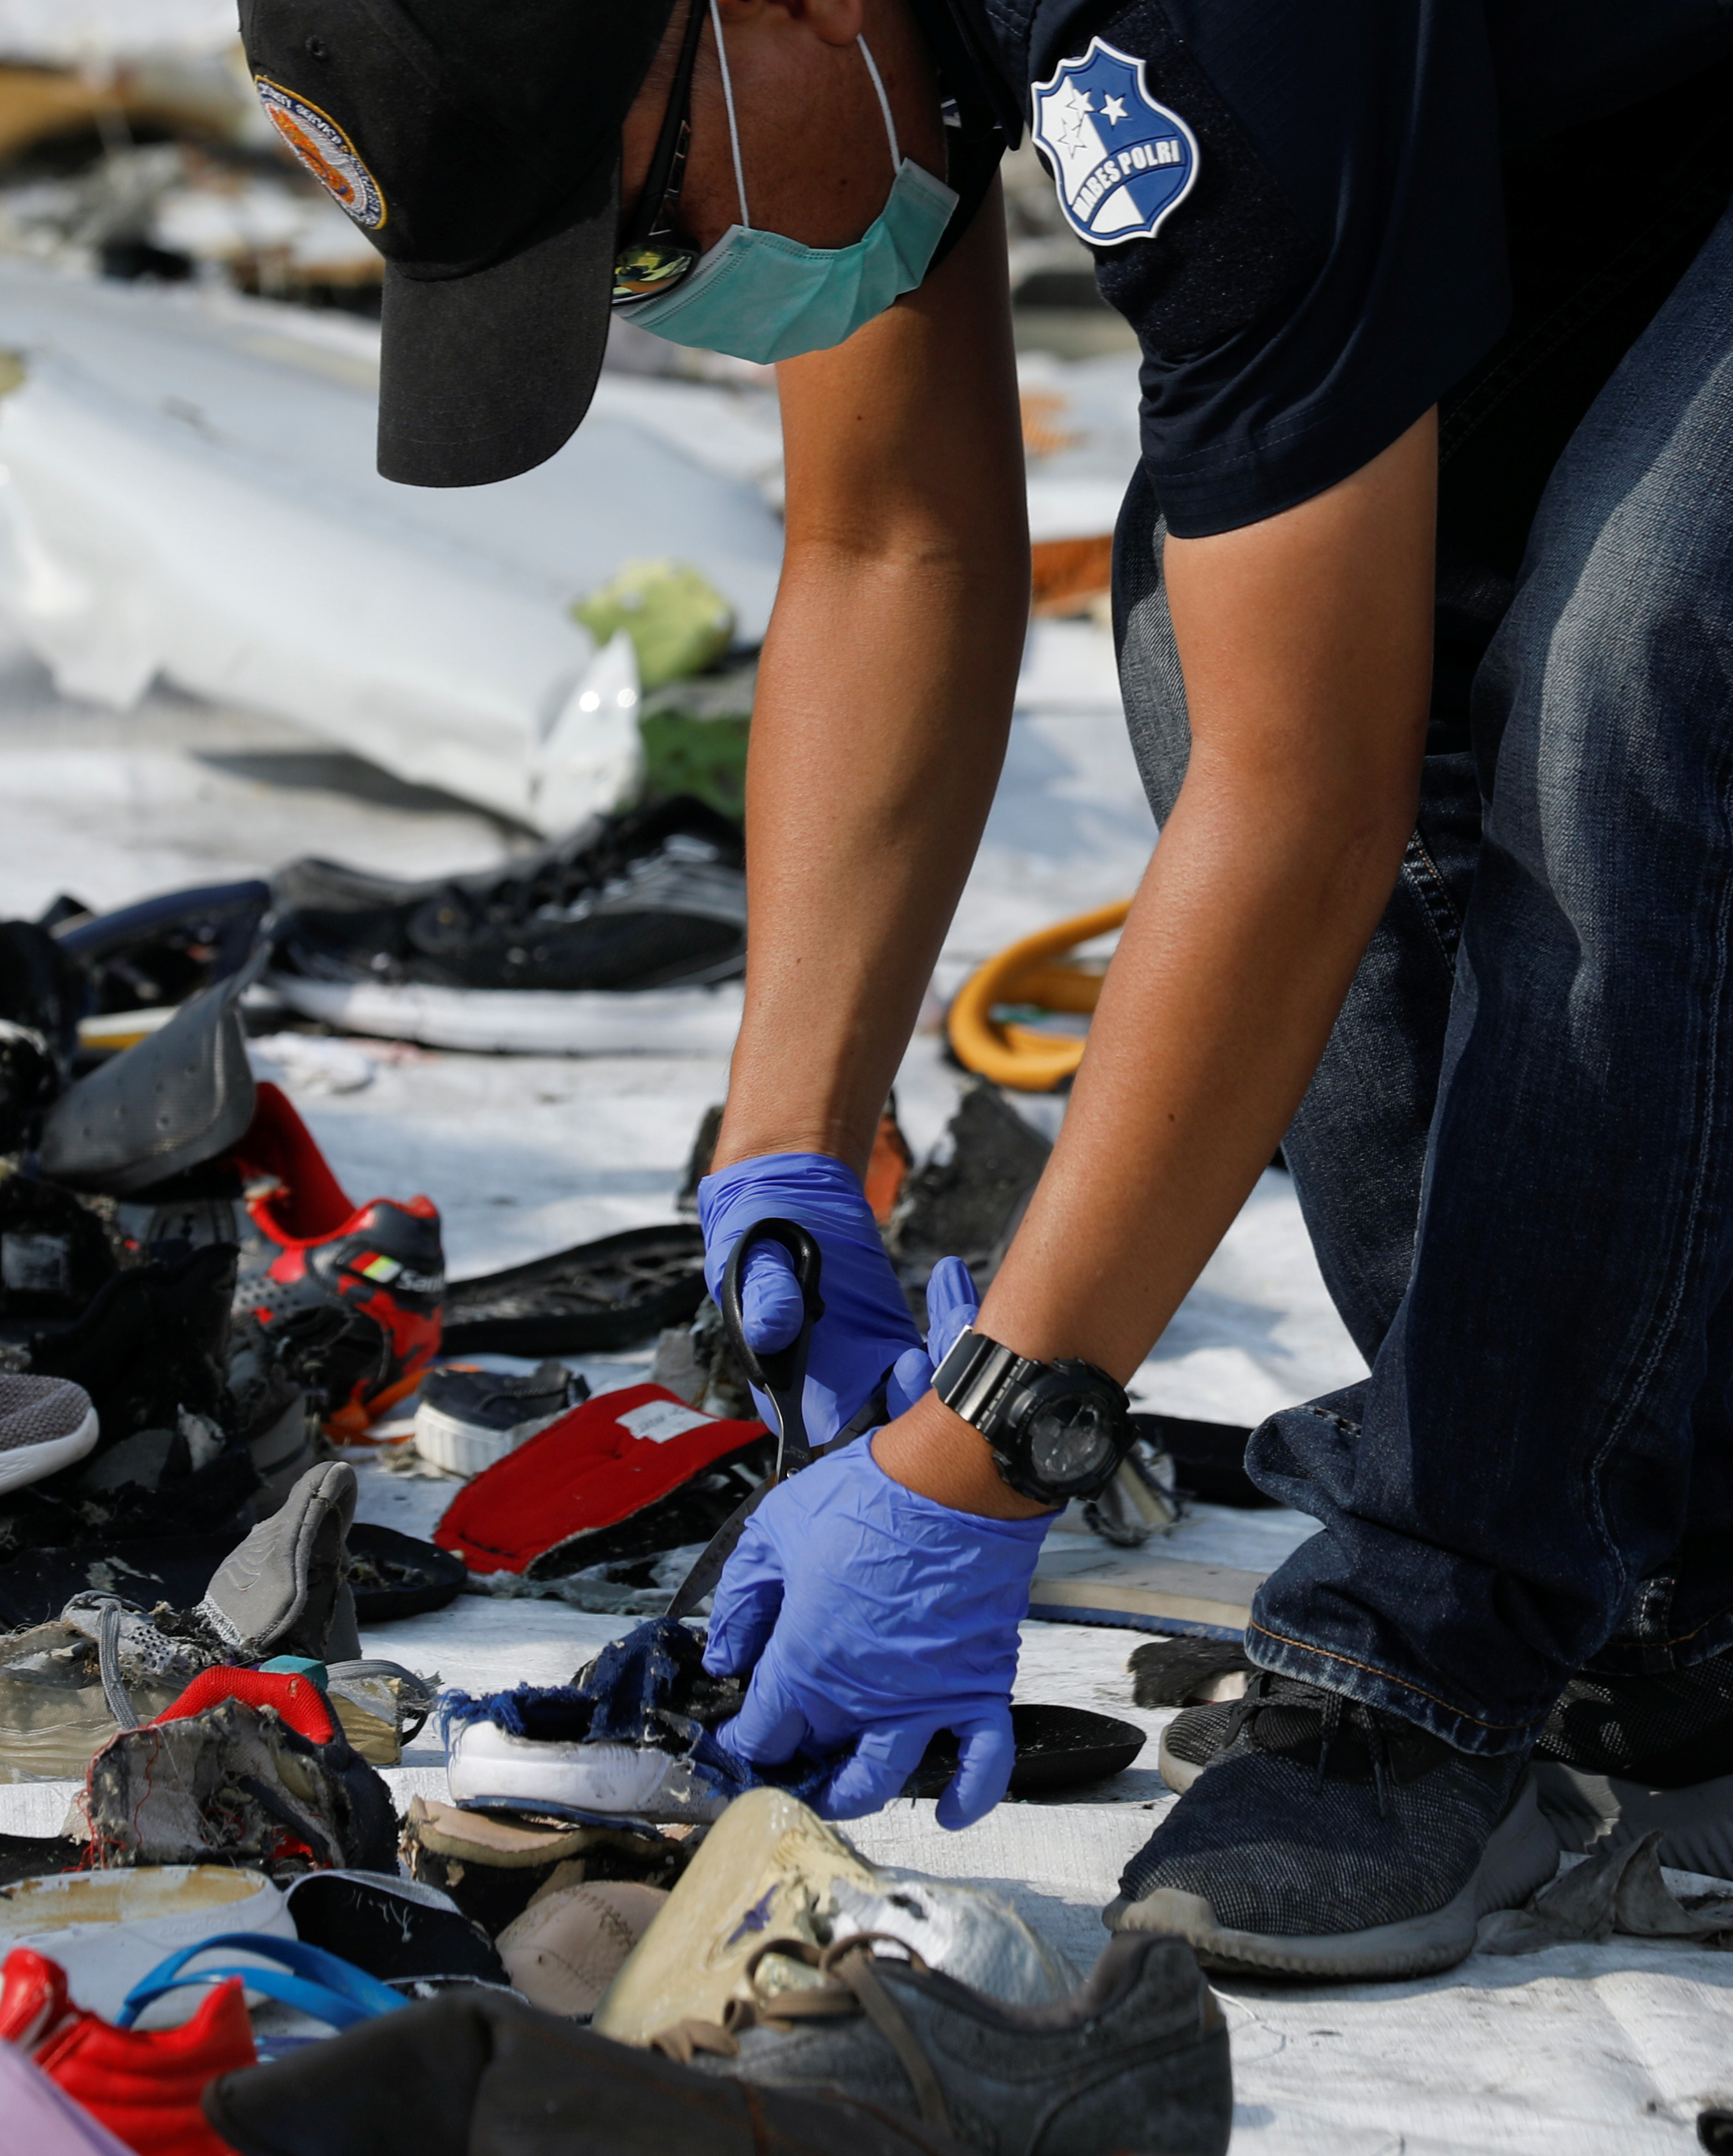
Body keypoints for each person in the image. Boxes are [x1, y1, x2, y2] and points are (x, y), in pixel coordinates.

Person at [235, 0, 1733, 1980]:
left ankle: (1459, 1629)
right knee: (1204, 640)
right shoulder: (815, 53)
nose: (669, 299)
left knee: (1627, 678)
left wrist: (990, 1441)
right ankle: (1640, 1582)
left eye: (648, 244)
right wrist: (783, 1150)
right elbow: (889, 533)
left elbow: (1307, 801)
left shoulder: (1191, 46)